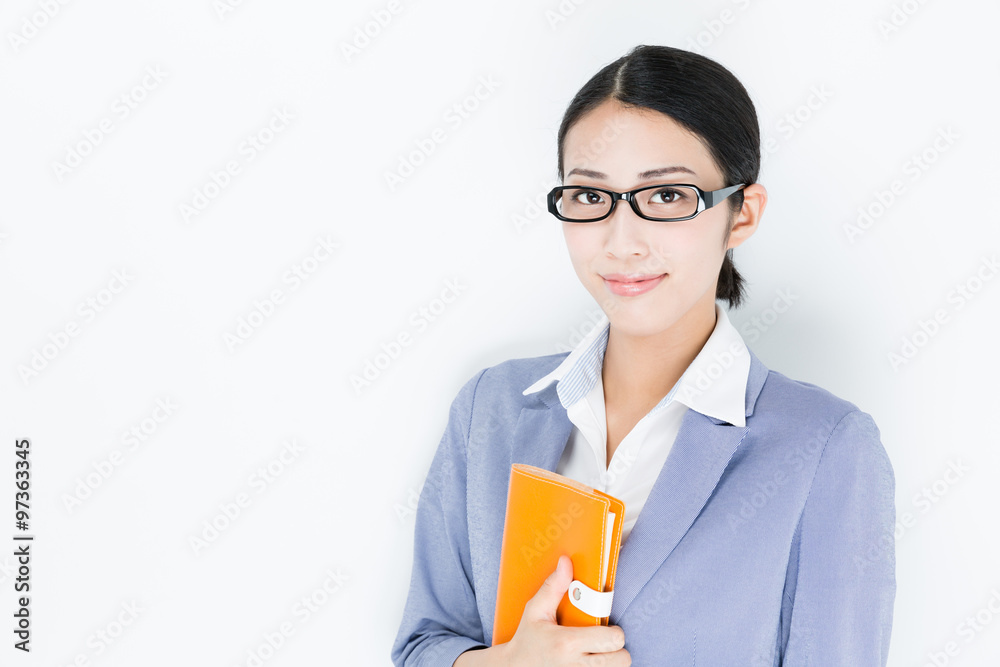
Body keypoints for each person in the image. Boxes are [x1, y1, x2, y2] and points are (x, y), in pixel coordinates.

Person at [391, 44, 895, 666]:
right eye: (589, 197)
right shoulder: (489, 411)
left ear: (741, 215)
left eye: (665, 198)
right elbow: (423, 645)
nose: (621, 242)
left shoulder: (825, 448)